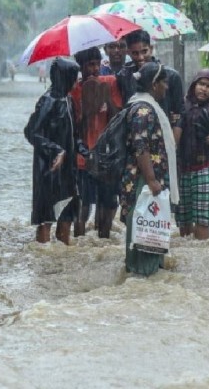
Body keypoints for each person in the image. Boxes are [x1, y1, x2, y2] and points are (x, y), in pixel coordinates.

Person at [120, 62, 179, 276]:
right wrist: (152, 180)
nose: (167, 87)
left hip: (145, 180)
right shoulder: (144, 110)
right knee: (145, 233)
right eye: (164, 82)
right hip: (143, 181)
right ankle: (142, 276)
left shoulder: (143, 106)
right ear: (154, 84)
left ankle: (145, 277)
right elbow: (141, 146)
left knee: (149, 233)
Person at [24, 58, 80, 244]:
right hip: (48, 168)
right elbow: (31, 132)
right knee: (46, 217)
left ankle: (64, 256)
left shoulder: (68, 99)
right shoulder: (48, 101)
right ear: (65, 77)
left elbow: (73, 134)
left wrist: (86, 152)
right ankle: (43, 255)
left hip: (68, 169)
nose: (77, 80)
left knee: (67, 214)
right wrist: (55, 150)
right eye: (74, 76)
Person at [70, 47, 123, 238]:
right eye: (90, 65)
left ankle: (103, 239)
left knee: (108, 203)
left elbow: (118, 118)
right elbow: (72, 127)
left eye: (97, 64)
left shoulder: (110, 82)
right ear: (81, 67)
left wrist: (106, 97)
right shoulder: (74, 90)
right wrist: (89, 108)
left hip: (106, 156)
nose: (95, 69)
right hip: (82, 158)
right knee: (83, 205)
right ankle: (79, 242)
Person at [176, 69, 209, 240]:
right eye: (201, 84)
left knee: (203, 219)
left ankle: (201, 247)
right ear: (194, 85)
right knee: (184, 219)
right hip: (182, 168)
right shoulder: (182, 106)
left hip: (205, 167)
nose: (204, 89)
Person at [117, 30, 183, 141]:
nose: (140, 57)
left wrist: (173, 143)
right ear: (128, 52)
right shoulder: (124, 77)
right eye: (135, 53)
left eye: (144, 51)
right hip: (134, 137)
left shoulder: (171, 76)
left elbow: (179, 113)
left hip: (164, 136)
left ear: (151, 49)